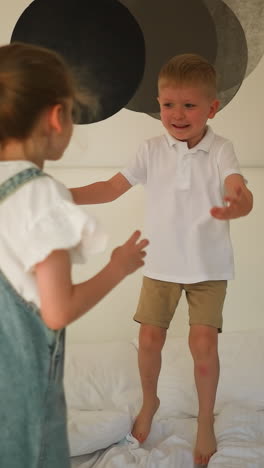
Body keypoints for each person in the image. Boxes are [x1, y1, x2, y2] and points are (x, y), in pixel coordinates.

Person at [70, 53, 253, 465]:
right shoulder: (150, 149)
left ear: (212, 108)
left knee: (202, 342)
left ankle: (205, 420)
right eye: (169, 104)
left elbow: (239, 189)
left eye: (190, 105)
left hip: (208, 267)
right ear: (158, 105)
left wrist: (237, 204)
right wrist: (65, 194)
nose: (178, 114)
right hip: (161, 265)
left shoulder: (221, 149)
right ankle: (149, 401)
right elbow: (111, 187)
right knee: (149, 339)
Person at [0, 41, 148, 468]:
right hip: (22, 402)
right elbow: (57, 310)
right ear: (56, 117)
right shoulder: (41, 194)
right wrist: (117, 268)